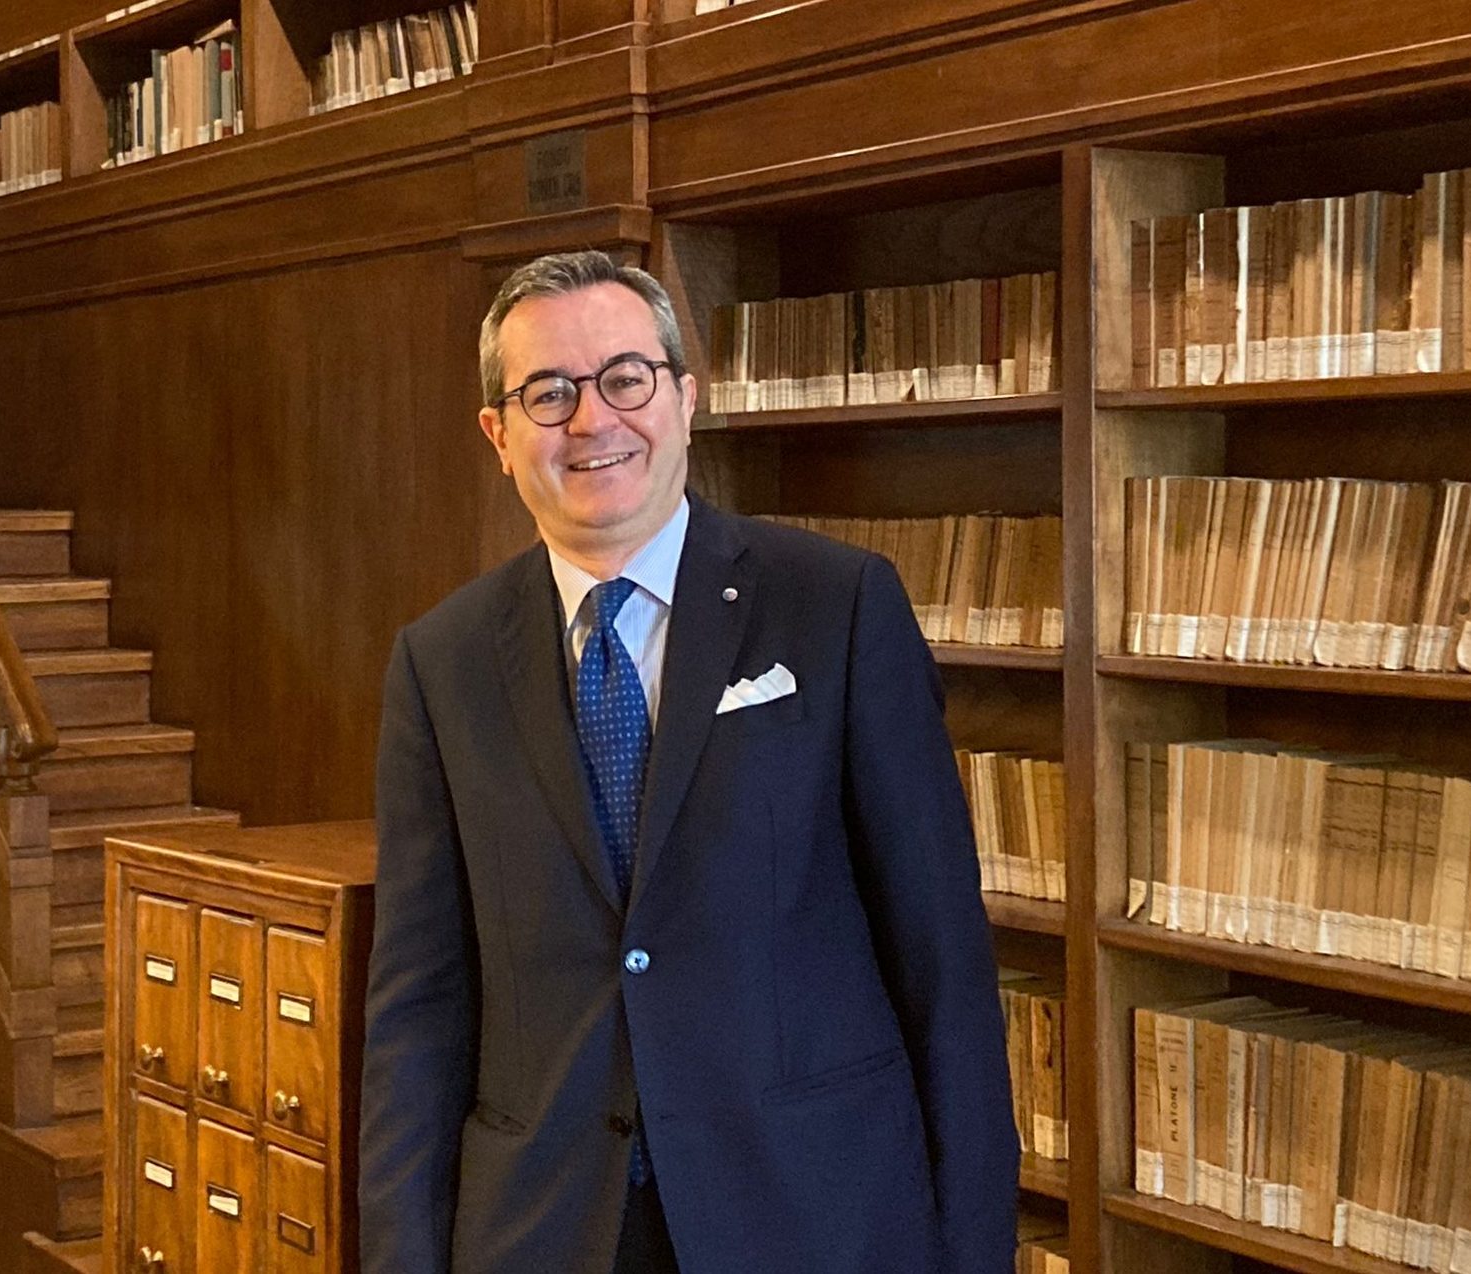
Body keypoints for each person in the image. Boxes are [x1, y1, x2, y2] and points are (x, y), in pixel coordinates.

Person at [360, 249, 1018, 1274]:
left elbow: (940, 960)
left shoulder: (836, 606)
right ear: (498, 435)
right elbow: (417, 1010)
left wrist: (974, 1250)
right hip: (546, 1228)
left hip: (812, 1215)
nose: (592, 420)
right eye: (549, 393)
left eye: (625, 378)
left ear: (684, 398)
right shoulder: (439, 663)